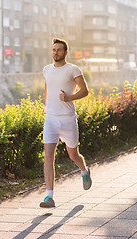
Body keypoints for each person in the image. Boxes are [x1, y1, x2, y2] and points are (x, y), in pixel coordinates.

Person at [40, 38, 92, 208]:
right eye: (53, 50)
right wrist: (46, 105)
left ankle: (84, 171)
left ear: (65, 52)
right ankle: (49, 197)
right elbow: (47, 88)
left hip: (68, 119)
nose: (55, 53)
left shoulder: (73, 69)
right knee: (48, 157)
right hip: (51, 120)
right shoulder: (47, 69)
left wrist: (69, 98)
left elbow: (85, 91)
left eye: (59, 50)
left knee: (73, 155)